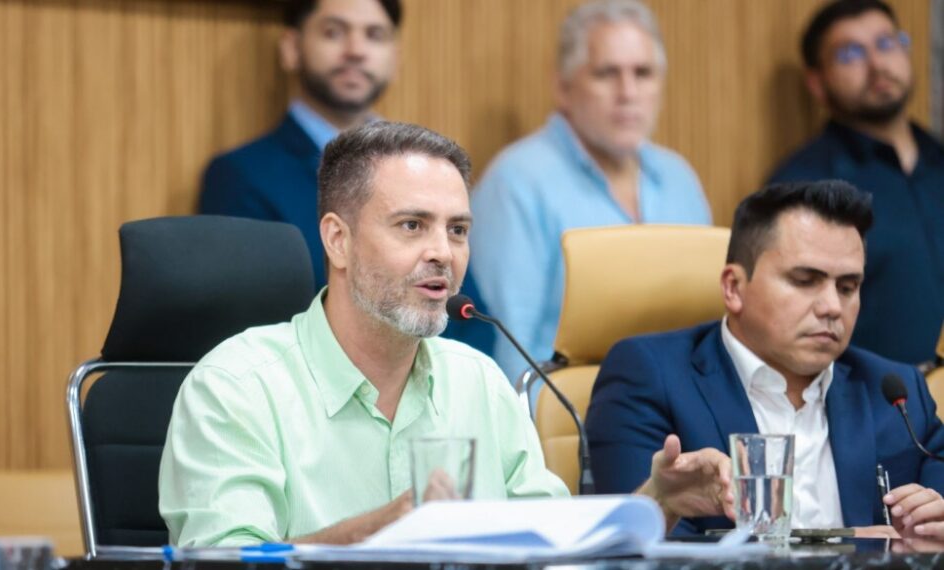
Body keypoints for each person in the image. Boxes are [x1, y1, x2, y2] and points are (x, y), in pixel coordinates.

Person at [159, 121, 735, 547]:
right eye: (412, 225)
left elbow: (552, 549)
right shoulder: (236, 386)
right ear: (337, 240)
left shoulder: (479, 380)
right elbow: (222, 562)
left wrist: (656, 503)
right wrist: (390, 531)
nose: (443, 253)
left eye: (457, 230)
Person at [586, 180, 944, 537]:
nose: (832, 307)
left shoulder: (894, 393)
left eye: (847, 287)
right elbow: (629, 547)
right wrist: (850, 545)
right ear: (734, 288)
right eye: (805, 280)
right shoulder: (650, 375)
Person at [198, 0, 493, 354]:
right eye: (333, 32)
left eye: (374, 35)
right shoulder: (242, 175)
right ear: (292, 48)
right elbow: (251, 324)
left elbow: (469, 319)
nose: (355, 51)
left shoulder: (430, 175)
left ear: (394, 58)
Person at [469, 0, 711, 383]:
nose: (628, 92)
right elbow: (508, 352)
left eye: (643, 73)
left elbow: (708, 331)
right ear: (564, 88)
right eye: (606, 73)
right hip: (567, 428)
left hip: (680, 421)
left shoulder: (680, 179)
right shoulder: (516, 182)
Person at [767, 0, 944, 366]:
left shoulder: (938, 159)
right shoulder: (802, 187)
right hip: (878, 410)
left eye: (886, 43)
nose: (877, 64)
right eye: (851, 53)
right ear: (817, 83)